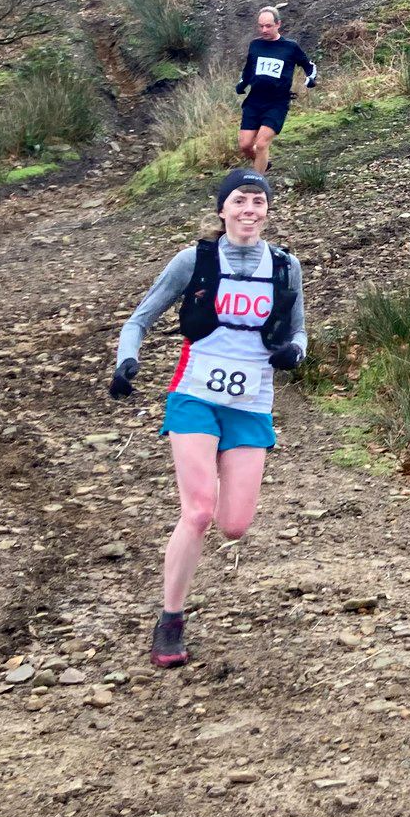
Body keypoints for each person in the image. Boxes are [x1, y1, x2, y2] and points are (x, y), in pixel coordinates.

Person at [110, 168, 308, 667]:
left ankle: (176, 607)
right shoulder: (194, 260)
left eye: (258, 202)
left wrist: (294, 355)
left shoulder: (285, 266)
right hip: (194, 394)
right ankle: (170, 619)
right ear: (222, 210)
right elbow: (140, 317)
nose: (249, 210)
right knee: (198, 511)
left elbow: (301, 332)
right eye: (239, 201)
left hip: (251, 401)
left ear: (266, 211)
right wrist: (125, 361)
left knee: (235, 525)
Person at [234, 7, 316, 173]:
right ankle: (263, 162)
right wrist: (242, 84)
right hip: (254, 101)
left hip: (277, 103)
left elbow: (309, 66)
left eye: (268, 26)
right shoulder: (255, 45)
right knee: (245, 146)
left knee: (262, 144)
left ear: (278, 24)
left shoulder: (290, 47)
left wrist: (310, 79)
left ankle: (257, 185)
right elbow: (249, 69)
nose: (264, 30)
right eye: (261, 26)